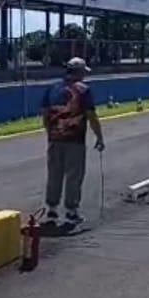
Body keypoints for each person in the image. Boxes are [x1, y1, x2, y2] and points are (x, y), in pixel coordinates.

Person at [42, 56, 104, 229]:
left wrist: (50, 133)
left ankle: (52, 209)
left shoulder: (52, 88)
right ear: (79, 72)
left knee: (54, 174)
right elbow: (91, 116)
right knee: (74, 176)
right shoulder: (83, 90)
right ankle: (71, 211)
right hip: (75, 140)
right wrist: (99, 137)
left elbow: (45, 115)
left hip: (54, 138)